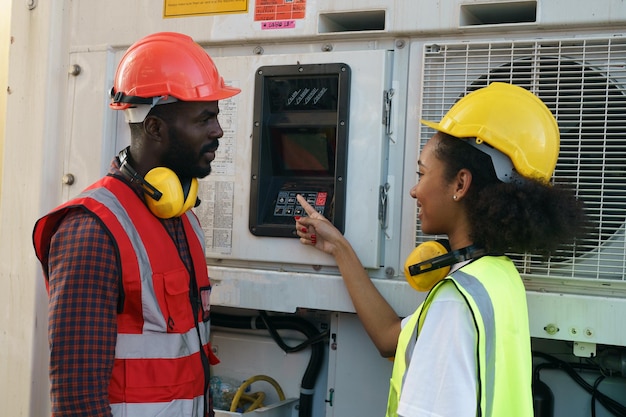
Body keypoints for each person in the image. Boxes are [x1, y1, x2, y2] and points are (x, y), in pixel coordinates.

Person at [295, 82, 587, 417]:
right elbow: (392, 338)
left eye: (422, 173)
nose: (414, 190)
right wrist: (339, 248)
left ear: (460, 184)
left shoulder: (455, 302)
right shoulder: (496, 276)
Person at [32, 32, 240, 417]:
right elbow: (78, 403)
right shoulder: (91, 232)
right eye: (204, 118)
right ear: (156, 128)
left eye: (217, 116)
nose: (218, 131)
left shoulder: (183, 221)